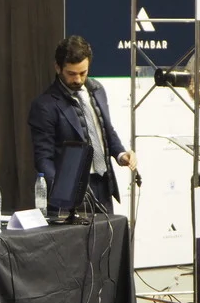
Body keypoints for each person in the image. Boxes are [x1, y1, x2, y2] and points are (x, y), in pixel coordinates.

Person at [28, 35, 137, 215]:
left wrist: (121, 154)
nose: (78, 79)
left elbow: (105, 130)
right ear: (58, 67)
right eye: (71, 74)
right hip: (72, 193)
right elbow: (43, 159)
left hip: (104, 184)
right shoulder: (45, 106)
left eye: (83, 73)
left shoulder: (97, 90)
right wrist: (62, 193)